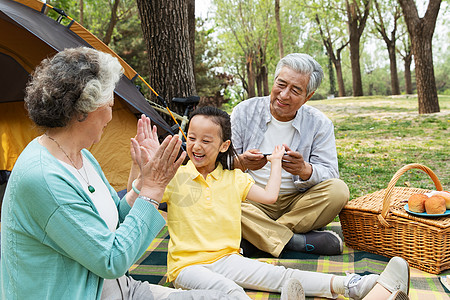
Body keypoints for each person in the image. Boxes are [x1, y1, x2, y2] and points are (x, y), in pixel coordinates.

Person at [0, 47, 231, 300]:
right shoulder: (44, 178)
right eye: (109, 104)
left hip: (117, 287)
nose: (111, 115)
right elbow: (111, 260)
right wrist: (154, 190)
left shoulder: (81, 156)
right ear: (83, 111)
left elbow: (115, 220)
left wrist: (143, 182)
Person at [134, 106, 410, 300]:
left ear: (224, 145)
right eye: (192, 138)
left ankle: (356, 285)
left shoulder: (233, 178)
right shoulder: (174, 176)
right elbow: (134, 197)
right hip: (186, 267)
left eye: (207, 140)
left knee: (283, 276)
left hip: (228, 259)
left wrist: (276, 162)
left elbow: (270, 197)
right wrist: (142, 166)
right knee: (230, 293)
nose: (197, 146)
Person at [231, 53, 349, 257]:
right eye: (281, 84)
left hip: (297, 203)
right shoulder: (243, 111)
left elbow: (331, 173)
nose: (284, 95)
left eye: (295, 90)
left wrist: (305, 170)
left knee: (339, 191)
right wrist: (241, 162)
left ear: (308, 96)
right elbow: (219, 164)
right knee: (220, 196)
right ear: (274, 81)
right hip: (251, 200)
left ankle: (260, 237)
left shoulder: (319, 123)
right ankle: (293, 241)